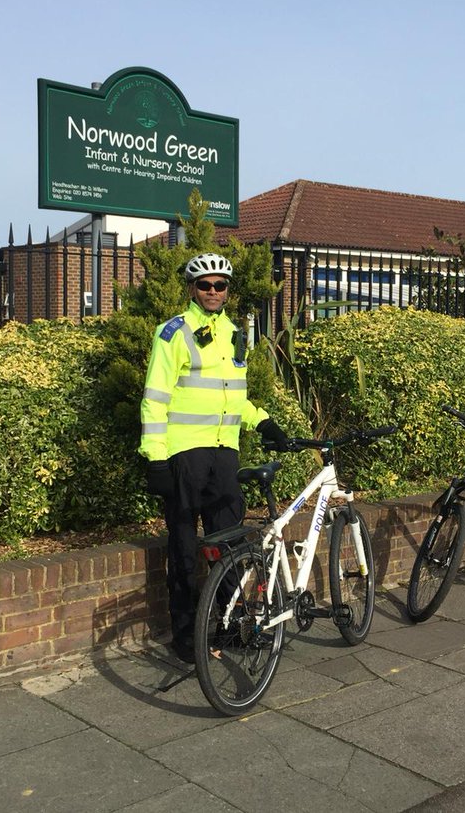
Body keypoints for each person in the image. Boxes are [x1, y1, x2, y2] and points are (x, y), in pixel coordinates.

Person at [140, 251, 288, 662]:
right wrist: (155, 457)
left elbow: (233, 397)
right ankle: (186, 636)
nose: (212, 291)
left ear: (227, 291)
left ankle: (229, 626)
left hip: (225, 453)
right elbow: (155, 398)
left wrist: (263, 421)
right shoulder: (173, 332)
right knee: (185, 548)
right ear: (192, 289)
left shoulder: (235, 335)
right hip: (185, 453)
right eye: (204, 285)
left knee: (231, 545)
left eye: (220, 285)